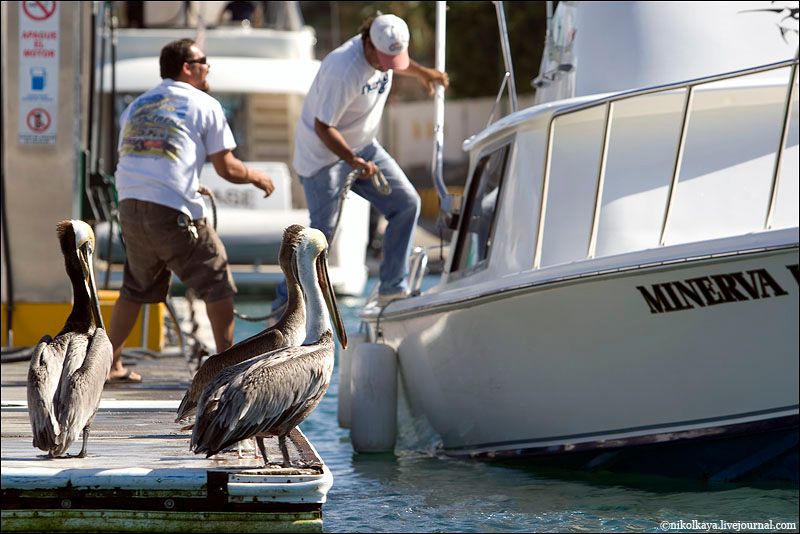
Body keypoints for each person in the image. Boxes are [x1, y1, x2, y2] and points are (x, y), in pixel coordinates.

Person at [107, 38, 275, 382]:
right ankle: (224, 368)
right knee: (217, 280)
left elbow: (148, 153)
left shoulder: (137, 105)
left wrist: (186, 183)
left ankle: (111, 364)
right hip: (171, 210)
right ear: (187, 67)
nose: (208, 68)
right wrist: (257, 176)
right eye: (204, 61)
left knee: (135, 288)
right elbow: (227, 167)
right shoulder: (203, 103)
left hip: (130, 206)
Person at [272, 13, 449, 312]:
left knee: (406, 204)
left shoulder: (386, 52)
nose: (387, 66)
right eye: (383, 58)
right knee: (321, 235)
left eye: (394, 59)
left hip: (363, 145)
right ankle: (282, 307)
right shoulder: (343, 70)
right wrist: (353, 160)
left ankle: (392, 288)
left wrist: (422, 72)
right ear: (367, 42)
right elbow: (322, 126)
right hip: (322, 156)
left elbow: (398, 62)